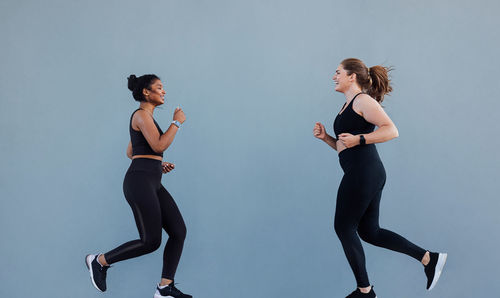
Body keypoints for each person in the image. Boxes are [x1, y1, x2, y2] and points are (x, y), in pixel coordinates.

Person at [313, 58, 447, 297]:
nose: (334, 77)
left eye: (337, 72)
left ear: (351, 76)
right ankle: (429, 258)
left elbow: (391, 130)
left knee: (343, 227)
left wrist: (360, 139)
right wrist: (327, 139)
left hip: (364, 172)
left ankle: (365, 292)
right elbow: (346, 146)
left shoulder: (362, 100)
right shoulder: (346, 107)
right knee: (369, 232)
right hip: (366, 172)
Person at [85, 74, 192, 298]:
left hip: (150, 179)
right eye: (159, 87)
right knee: (150, 241)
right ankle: (99, 261)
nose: (164, 92)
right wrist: (177, 122)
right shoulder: (141, 115)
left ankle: (165, 288)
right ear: (146, 92)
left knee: (179, 231)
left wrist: (155, 165)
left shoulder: (148, 119)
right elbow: (159, 143)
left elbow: (131, 151)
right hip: (139, 182)